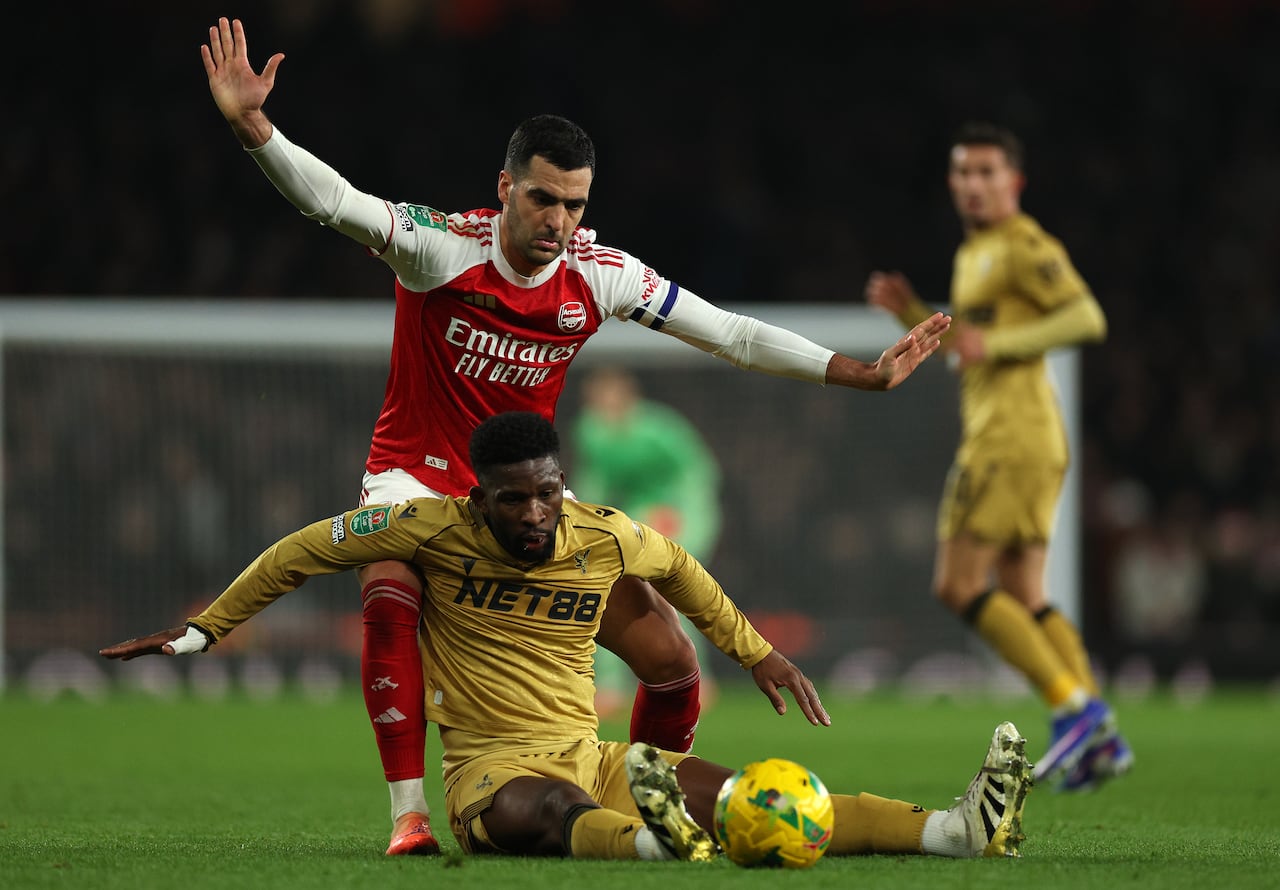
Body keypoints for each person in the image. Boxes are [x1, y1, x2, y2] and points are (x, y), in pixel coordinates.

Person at [193, 16, 953, 854]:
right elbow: (334, 202)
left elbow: (730, 333)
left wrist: (860, 371)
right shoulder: (442, 249)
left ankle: (646, 799)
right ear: (506, 188)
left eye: (575, 203)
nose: (559, 220)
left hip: (525, 492)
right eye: (543, 198)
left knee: (665, 652)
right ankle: (409, 814)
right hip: (418, 476)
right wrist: (255, 129)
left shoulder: (599, 273)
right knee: (388, 585)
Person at [101, 411, 1032, 861]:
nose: (538, 513)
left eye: (547, 490)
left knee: (765, 801)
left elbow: (686, 575)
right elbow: (296, 554)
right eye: (516, 499)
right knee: (541, 815)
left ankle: (956, 829)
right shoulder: (427, 529)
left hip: (595, 756)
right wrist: (200, 633)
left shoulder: (599, 531)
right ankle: (650, 844)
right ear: (479, 499)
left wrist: (756, 651)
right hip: (489, 775)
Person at [864, 121, 1131, 791]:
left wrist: (1004, 344)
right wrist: (915, 316)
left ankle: (1076, 709)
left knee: (956, 584)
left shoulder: (1022, 244)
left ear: (1014, 182)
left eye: (988, 172)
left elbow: (1085, 318)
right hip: (1027, 437)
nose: (974, 185)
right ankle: (1099, 736)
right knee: (1025, 593)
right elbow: (971, 348)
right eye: (963, 172)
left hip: (1009, 439)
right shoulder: (974, 253)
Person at [570, 366, 723, 718]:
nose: (603, 404)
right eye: (596, 397)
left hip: (683, 510)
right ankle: (609, 685)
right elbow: (594, 485)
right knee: (609, 586)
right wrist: (585, 523)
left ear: (627, 395)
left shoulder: (659, 427)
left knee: (671, 590)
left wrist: (674, 515)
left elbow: (698, 473)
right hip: (637, 514)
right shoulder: (590, 430)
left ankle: (696, 678)